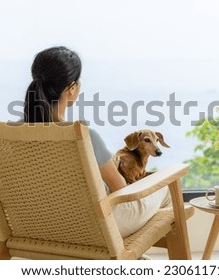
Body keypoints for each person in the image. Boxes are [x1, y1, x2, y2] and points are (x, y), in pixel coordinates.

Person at [23, 46, 171, 237]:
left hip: (42, 224)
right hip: (96, 228)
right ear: (72, 88)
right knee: (167, 186)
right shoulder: (84, 136)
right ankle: (128, 254)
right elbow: (121, 191)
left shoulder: (12, 133)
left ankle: (134, 256)